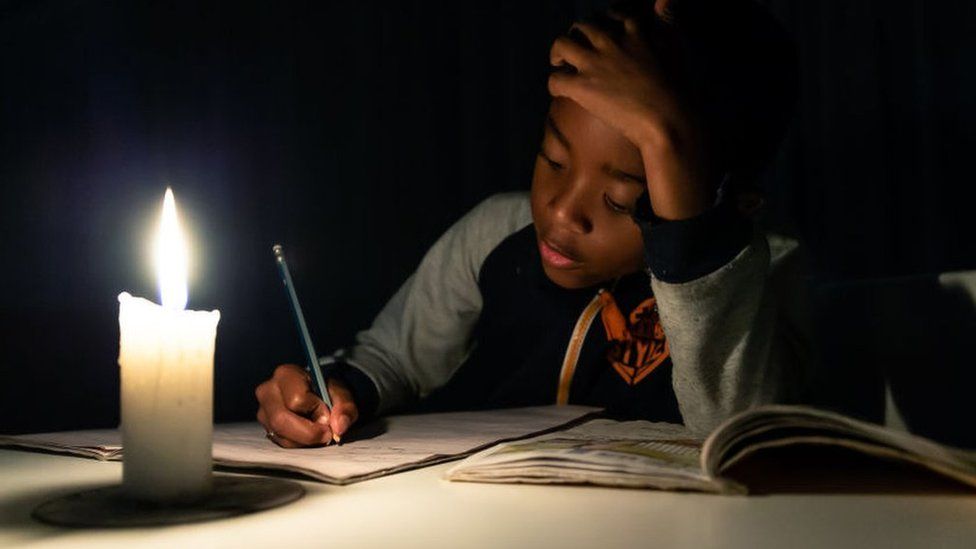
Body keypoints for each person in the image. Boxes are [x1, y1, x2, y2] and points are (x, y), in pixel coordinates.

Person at [255, 0, 810, 448]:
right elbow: (393, 359)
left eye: (621, 201)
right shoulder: (497, 230)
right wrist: (329, 388)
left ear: (734, 203)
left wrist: (685, 208)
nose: (563, 212)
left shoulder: (762, 276)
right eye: (553, 159)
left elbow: (742, 438)